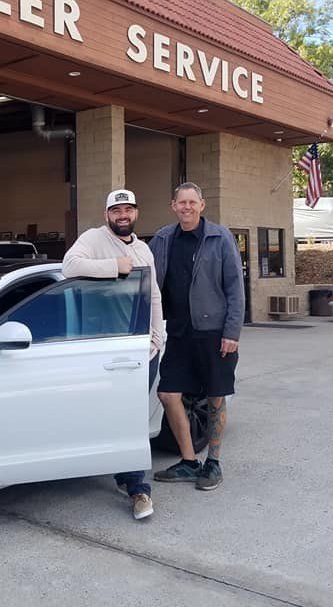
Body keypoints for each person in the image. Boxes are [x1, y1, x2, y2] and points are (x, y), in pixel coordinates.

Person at [62, 188, 165, 520]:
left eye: (128, 209)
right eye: (117, 210)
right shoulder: (94, 239)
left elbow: (153, 295)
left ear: (136, 213)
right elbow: (69, 266)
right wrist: (115, 266)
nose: (123, 215)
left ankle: (137, 488)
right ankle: (120, 475)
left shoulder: (144, 249)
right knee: (110, 415)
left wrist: (157, 337)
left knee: (131, 418)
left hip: (139, 350)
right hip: (103, 349)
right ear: (107, 214)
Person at [150, 182, 244, 491]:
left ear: (202, 205)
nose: (187, 207)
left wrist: (232, 332)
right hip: (177, 333)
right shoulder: (163, 239)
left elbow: (235, 288)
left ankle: (213, 463)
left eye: (193, 202)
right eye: (182, 202)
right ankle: (189, 462)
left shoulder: (220, 237)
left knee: (215, 396)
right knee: (168, 394)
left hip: (214, 333)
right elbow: (148, 281)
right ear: (173, 206)